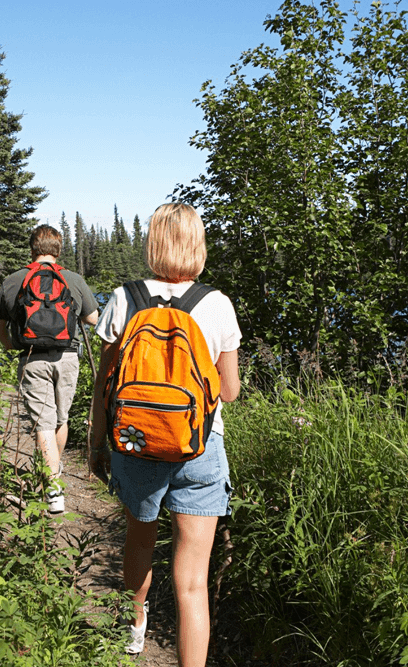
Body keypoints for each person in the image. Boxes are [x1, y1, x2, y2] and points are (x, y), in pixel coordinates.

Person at [90, 203, 241, 666]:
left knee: (138, 540)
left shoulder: (124, 297)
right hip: (199, 448)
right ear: (198, 246)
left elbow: (105, 386)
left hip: (135, 444)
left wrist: (97, 444)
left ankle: (134, 631)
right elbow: (229, 392)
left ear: (153, 243)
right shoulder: (215, 304)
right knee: (193, 581)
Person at [0, 224, 99, 513]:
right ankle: (53, 473)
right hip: (67, 357)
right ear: (59, 249)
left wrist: (9, 345)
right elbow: (93, 318)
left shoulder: (15, 280)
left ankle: (52, 488)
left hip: (31, 358)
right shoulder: (72, 279)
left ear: (32, 249)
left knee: (44, 424)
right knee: (59, 420)